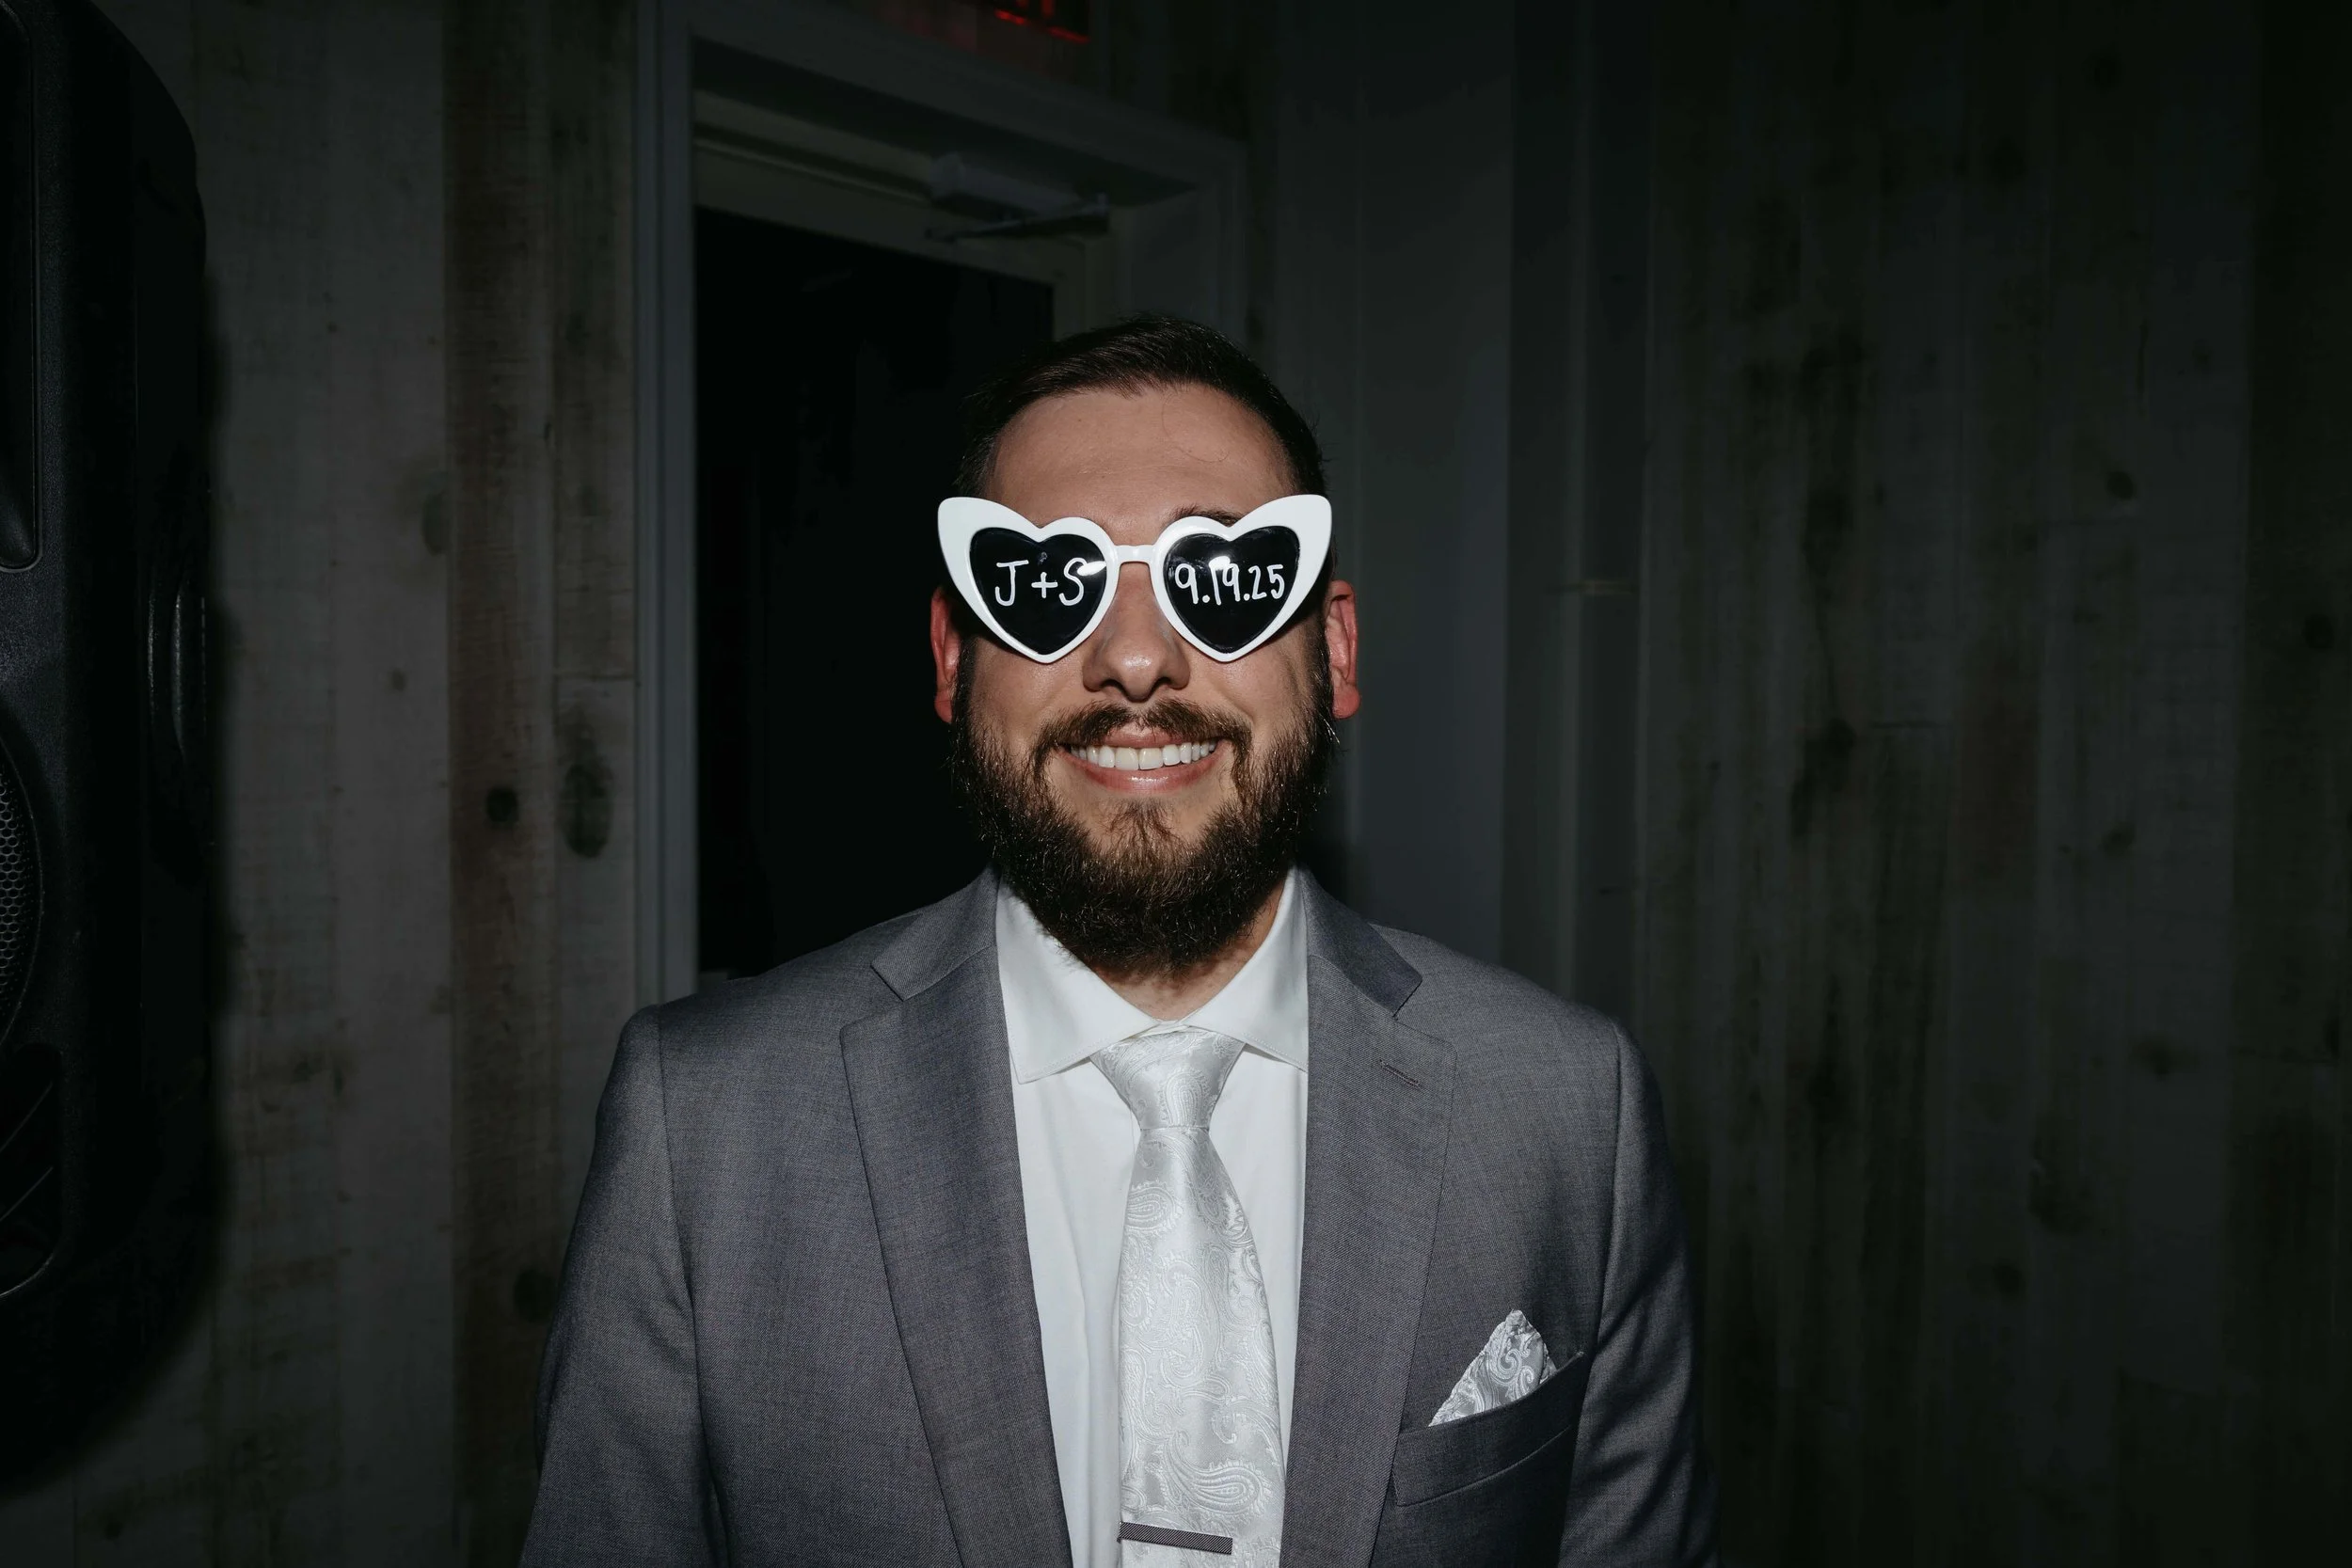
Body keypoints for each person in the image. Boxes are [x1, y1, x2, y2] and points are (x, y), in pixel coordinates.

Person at [521, 316, 1717, 1568]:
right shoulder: (705, 1129)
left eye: (1225, 575)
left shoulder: (1566, 1110)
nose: (1136, 658)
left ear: (1338, 650)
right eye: (1047, 587)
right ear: (951, 657)